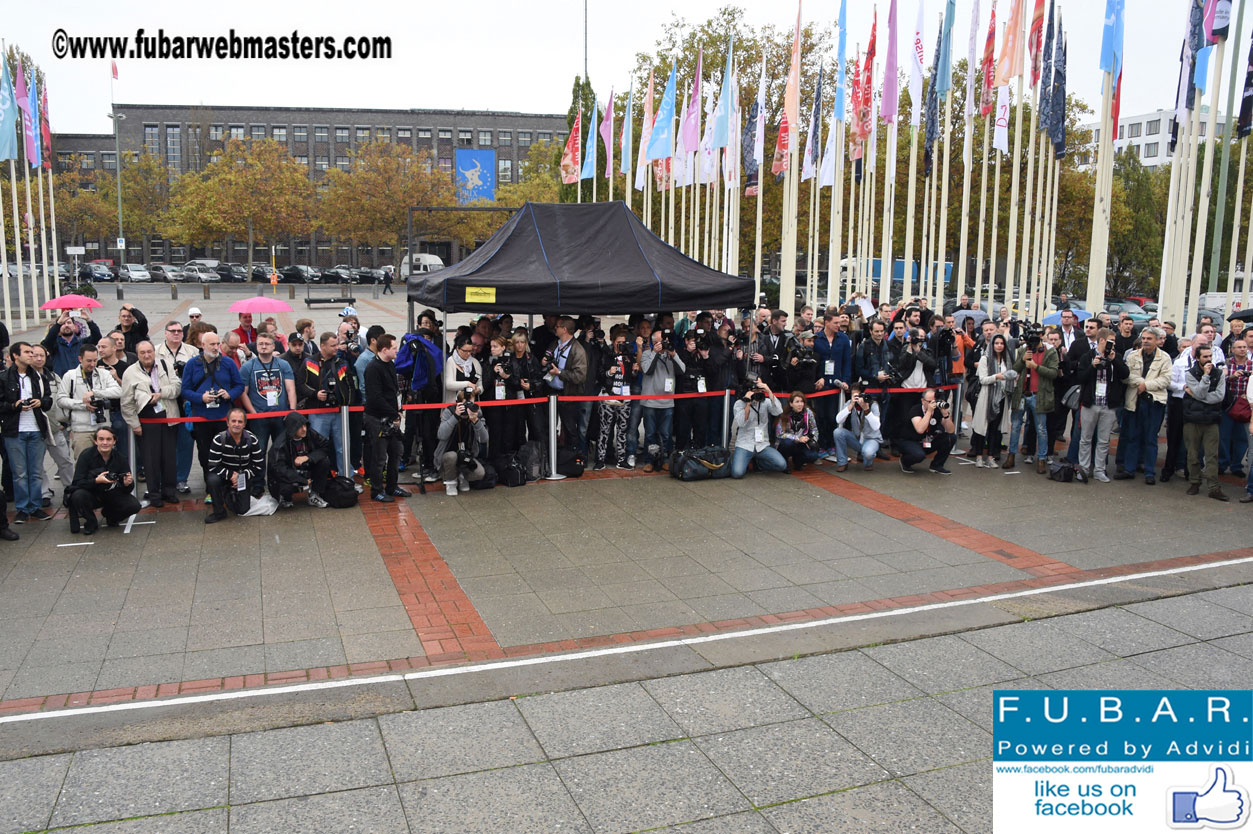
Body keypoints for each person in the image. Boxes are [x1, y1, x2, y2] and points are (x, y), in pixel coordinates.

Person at [182, 331, 245, 500]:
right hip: (202, 418)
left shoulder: (228, 363)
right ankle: (210, 489)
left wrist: (229, 394)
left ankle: (227, 487)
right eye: (212, 344)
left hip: (223, 417)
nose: (216, 347)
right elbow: (185, 390)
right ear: (203, 345)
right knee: (205, 454)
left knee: (228, 453)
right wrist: (200, 398)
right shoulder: (192, 364)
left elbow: (239, 385)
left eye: (217, 344)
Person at [120, 341, 181, 507]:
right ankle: (154, 494)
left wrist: (161, 394)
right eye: (143, 353)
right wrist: (134, 424)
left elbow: (176, 387)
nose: (147, 355)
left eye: (149, 352)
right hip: (146, 420)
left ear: (154, 352)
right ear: (137, 354)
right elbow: (126, 402)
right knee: (151, 459)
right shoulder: (130, 373)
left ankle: (170, 491)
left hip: (168, 417)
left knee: (169, 458)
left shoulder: (165, 365)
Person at [1, 342, 53, 523]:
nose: (32, 355)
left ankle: (36, 506)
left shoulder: (38, 376)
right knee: (20, 473)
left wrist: (41, 402)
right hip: (15, 431)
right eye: (27, 352)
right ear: (16, 356)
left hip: (36, 429)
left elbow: (48, 400)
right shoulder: (4, 378)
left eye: (32, 352)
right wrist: (14, 406)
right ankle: (23, 508)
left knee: (36, 471)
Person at [1118, 326, 1173, 484]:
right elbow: (1127, 376)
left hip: (1154, 402)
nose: (1146, 341)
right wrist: (1141, 383)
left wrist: (1146, 386)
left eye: (1149, 339)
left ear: (1156, 340)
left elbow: (1166, 380)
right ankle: (1129, 469)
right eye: (1143, 339)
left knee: (1150, 439)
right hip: (1134, 400)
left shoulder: (1165, 358)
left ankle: (1149, 472)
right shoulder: (1133, 356)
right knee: (1132, 436)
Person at [1074, 328, 1129, 483]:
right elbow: (1081, 378)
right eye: (1111, 340)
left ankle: (1099, 469)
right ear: (1102, 340)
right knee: (1086, 438)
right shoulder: (1087, 357)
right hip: (1090, 403)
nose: (1114, 344)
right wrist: (1092, 366)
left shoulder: (1116, 356)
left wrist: (1115, 361)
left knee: (1104, 440)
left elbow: (1125, 375)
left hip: (1109, 404)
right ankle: (1084, 469)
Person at [239, 332, 296, 477]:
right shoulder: (248, 367)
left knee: (281, 450)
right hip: (259, 417)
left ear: (273, 346)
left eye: (267, 344)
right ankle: (258, 482)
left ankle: (280, 479)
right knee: (259, 450)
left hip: (280, 416)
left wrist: (292, 412)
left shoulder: (283, 364)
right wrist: (253, 413)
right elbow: (243, 392)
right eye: (260, 344)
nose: (263, 347)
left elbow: (290, 389)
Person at [66, 426, 141, 534]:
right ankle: (91, 522)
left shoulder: (120, 458)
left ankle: (112, 517)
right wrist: (96, 480)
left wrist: (127, 484)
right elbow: (77, 483)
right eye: (101, 439)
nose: (105, 443)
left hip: (111, 494)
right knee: (78, 495)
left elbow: (128, 489)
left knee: (134, 505)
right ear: (95, 441)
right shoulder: (86, 456)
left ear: (114, 441)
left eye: (108, 439)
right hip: (91, 494)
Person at [364, 334, 410, 503]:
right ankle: (376, 491)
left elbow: (393, 391)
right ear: (384, 350)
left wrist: (398, 409)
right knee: (379, 457)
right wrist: (394, 413)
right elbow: (375, 397)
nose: (397, 351)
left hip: (391, 417)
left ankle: (392, 486)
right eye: (394, 348)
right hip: (377, 418)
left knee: (396, 452)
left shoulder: (390, 365)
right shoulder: (373, 368)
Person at [1181, 345, 1229, 501]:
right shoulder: (1190, 374)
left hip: (1211, 419)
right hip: (1192, 419)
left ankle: (1214, 487)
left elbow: (1219, 397)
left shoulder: (1219, 373)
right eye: (1205, 357)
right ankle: (1195, 482)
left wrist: (1196, 395)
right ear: (1197, 358)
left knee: (1212, 455)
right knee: (1193, 454)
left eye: (1210, 356)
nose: (1209, 360)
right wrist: (1206, 376)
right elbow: (1202, 392)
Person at [58, 344, 124, 458]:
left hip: (103, 426)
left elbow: (119, 392)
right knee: (83, 464)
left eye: (95, 360)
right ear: (80, 359)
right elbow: (61, 400)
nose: (92, 364)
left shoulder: (104, 374)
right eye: (89, 361)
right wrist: (82, 405)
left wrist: (96, 393)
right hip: (81, 428)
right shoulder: (70, 376)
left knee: (105, 463)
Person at [156, 320, 198, 494]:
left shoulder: (192, 351)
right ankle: (163, 480)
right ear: (165, 333)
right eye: (172, 331)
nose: (176, 334)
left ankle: (181, 479)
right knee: (164, 445)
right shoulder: (156, 352)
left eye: (179, 331)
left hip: (187, 403)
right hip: (166, 402)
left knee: (186, 443)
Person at [1007, 331, 1059, 473]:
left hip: (1039, 396)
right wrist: (1023, 360)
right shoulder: (1024, 350)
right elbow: (1014, 371)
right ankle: (1011, 455)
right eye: (1032, 341)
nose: (1034, 344)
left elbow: (1054, 373)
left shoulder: (1050, 352)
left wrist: (1036, 366)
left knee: (1041, 429)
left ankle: (1041, 459)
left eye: (1037, 341)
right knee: (1016, 425)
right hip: (1022, 394)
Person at [204, 407, 265, 523]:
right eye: (233, 421)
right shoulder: (219, 439)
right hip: (223, 475)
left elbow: (258, 465)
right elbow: (212, 466)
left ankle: (229, 495)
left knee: (242, 510)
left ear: (245, 424)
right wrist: (231, 475)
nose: (236, 424)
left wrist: (241, 476)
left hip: (243, 476)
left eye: (240, 421)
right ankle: (219, 512)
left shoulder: (252, 439)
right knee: (212, 479)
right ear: (227, 422)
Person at [640, 328, 684, 472]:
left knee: (666, 434)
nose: (663, 344)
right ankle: (649, 460)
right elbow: (647, 370)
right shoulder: (647, 354)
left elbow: (682, 370)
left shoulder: (671, 355)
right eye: (659, 342)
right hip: (650, 402)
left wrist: (674, 354)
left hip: (667, 402)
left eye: (665, 341)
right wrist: (655, 353)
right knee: (650, 433)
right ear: (653, 343)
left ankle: (665, 458)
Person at [542, 317, 589, 452]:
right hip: (551, 391)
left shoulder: (577, 349)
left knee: (569, 428)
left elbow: (580, 376)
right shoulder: (555, 343)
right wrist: (544, 362)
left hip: (568, 394)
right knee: (548, 426)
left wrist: (559, 373)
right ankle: (549, 456)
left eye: (557, 326)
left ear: (565, 329)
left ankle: (571, 457)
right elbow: (547, 357)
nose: (554, 328)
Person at [268, 411, 332, 508]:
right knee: (285, 486)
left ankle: (314, 494)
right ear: (292, 428)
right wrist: (302, 480)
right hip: (290, 473)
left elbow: (326, 446)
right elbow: (280, 469)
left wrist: (308, 457)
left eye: (305, 426)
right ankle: (286, 498)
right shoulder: (280, 443)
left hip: (306, 467)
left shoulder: (310, 433)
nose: (304, 429)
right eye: (300, 427)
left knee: (324, 461)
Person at [434, 390, 490, 497]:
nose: (469, 407)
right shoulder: (449, 411)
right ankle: (451, 481)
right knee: (452, 456)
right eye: (465, 404)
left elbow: (484, 439)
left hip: (466, 456)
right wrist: (455, 416)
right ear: (458, 403)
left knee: (480, 473)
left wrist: (475, 421)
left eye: (471, 404)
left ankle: (462, 475)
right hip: (447, 457)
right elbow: (441, 435)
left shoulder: (476, 413)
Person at [971, 334, 1014, 469]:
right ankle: (979, 456)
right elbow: (982, 379)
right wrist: (997, 376)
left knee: (995, 429)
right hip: (986, 397)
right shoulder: (985, 359)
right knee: (981, 428)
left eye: (1002, 343)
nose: (999, 346)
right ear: (992, 345)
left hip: (1001, 397)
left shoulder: (1007, 359)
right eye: (996, 343)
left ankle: (990, 457)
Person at [730, 379, 787, 478]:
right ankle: (744, 460)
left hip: (762, 445)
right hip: (745, 444)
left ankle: (759, 464)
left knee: (781, 465)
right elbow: (741, 423)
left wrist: (769, 391)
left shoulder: (766, 402)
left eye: (761, 389)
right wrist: (748, 403)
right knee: (737, 473)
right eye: (757, 389)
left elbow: (778, 411)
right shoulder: (740, 403)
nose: (759, 393)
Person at [595, 331, 635, 470]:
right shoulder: (607, 354)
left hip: (625, 396)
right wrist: (608, 372)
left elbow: (633, 375)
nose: (622, 345)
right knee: (604, 429)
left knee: (622, 429)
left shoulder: (629, 356)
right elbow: (599, 374)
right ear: (613, 342)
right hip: (608, 396)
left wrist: (632, 365)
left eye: (624, 342)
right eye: (619, 342)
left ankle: (622, 460)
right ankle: (600, 460)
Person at [898, 388, 956, 475]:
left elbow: (951, 431)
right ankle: (905, 461)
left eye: (934, 401)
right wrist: (929, 411)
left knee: (951, 438)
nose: (932, 404)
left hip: (927, 440)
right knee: (919, 455)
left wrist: (946, 415)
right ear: (922, 401)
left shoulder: (937, 410)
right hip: (910, 440)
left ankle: (937, 465)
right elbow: (920, 430)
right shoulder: (916, 409)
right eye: (929, 402)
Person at [832, 383, 883, 471]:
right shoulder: (850, 403)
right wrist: (851, 405)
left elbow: (876, 426)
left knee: (868, 453)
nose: (857, 398)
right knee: (838, 432)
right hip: (856, 438)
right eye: (854, 395)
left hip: (871, 438)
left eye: (859, 395)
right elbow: (838, 420)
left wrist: (866, 410)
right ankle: (842, 463)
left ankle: (868, 462)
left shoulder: (872, 404)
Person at [1219, 339, 1250, 478]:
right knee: (1223, 436)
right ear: (1233, 349)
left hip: (1245, 405)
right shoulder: (1226, 364)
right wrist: (1231, 377)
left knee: (1242, 437)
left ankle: (1236, 465)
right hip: (1228, 404)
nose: (1242, 349)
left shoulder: (1251, 365)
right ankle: (1222, 463)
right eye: (1239, 347)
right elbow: (1219, 381)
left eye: (1244, 347)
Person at [42, 311, 103, 376]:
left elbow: (97, 337)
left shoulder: (82, 343)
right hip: (61, 381)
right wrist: (58, 323)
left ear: (74, 326)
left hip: (81, 380)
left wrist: (89, 320)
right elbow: (48, 341)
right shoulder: (55, 345)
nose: (66, 325)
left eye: (69, 323)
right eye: (63, 323)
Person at [775, 391, 820, 472]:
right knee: (787, 443)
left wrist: (811, 440)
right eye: (797, 402)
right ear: (791, 404)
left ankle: (798, 461)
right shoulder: (784, 414)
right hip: (789, 443)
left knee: (813, 455)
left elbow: (814, 430)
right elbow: (779, 434)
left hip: (802, 443)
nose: (800, 404)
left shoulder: (808, 413)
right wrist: (797, 438)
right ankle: (785, 463)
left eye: (802, 401)